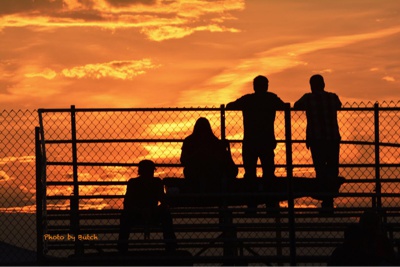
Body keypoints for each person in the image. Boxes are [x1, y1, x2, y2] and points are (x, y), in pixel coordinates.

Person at [226, 75, 286, 209]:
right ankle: (270, 205)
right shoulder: (271, 98)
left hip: (250, 141)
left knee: (250, 174)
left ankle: (251, 205)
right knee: (269, 173)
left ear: (254, 86)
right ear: (266, 86)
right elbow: (284, 106)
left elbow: (231, 106)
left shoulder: (248, 100)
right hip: (266, 141)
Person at [294, 74, 341, 212]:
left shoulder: (308, 98)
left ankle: (325, 198)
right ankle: (329, 199)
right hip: (332, 139)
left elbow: (296, 106)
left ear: (311, 86)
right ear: (324, 84)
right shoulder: (332, 97)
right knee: (332, 168)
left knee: (320, 170)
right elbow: (339, 105)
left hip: (317, 140)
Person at [118, 160, 177, 253]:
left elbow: (164, 203)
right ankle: (171, 246)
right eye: (149, 170)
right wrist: (142, 211)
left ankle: (171, 246)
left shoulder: (155, 182)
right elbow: (127, 204)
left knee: (166, 214)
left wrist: (151, 210)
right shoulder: (135, 183)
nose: (150, 173)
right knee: (125, 216)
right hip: (138, 214)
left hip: (150, 213)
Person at [180, 117, 238, 193]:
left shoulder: (190, 140)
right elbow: (183, 160)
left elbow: (183, 160)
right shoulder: (213, 141)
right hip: (201, 171)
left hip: (207, 171)